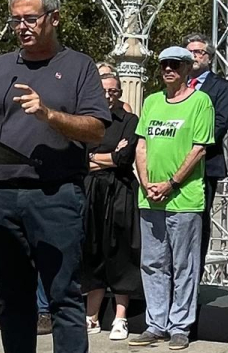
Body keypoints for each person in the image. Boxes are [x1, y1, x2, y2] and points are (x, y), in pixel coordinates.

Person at [0, 0, 110, 353]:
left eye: (30, 18)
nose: (22, 27)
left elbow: (95, 129)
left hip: (56, 197)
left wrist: (49, 115)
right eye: (15, 20)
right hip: (5, 197)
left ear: (54, 18)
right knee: (13, 300)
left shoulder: (78, 67)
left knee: (63, 297)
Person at [127, 46, 214, 350]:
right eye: (164, 64)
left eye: (175, 64)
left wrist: (172, 183)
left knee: (183, 265)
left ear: (188, 69)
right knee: (152, 263)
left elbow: (199, 148)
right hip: (149, 198)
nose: (168, 69)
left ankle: (180, 326)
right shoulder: (151, 102)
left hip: (184, 199)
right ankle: (156, 324)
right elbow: (141, 145)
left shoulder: (200, 102)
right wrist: (148, 182)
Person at [82, 73, 141, 341]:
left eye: (114, 91)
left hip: (119, 191)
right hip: (91, 190)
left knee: (120, 250)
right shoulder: (86, 122)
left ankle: (120, 317)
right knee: (92, 249)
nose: (109, 95)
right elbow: (80, 158)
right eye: (104, 90)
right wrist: (105, 156)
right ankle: (91, 316)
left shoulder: (129, 120)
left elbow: (124, 157)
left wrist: (100, 157)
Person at [184, 33, 228, 273]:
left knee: (198, 223)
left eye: (199, 52)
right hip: (170, 165)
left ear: (210, 57)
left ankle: (194, 276)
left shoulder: (222, 87)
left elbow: (220, 125)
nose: (194, 56)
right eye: (190, 52)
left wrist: (188, 146)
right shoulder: (176, 85)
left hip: (205, 164)